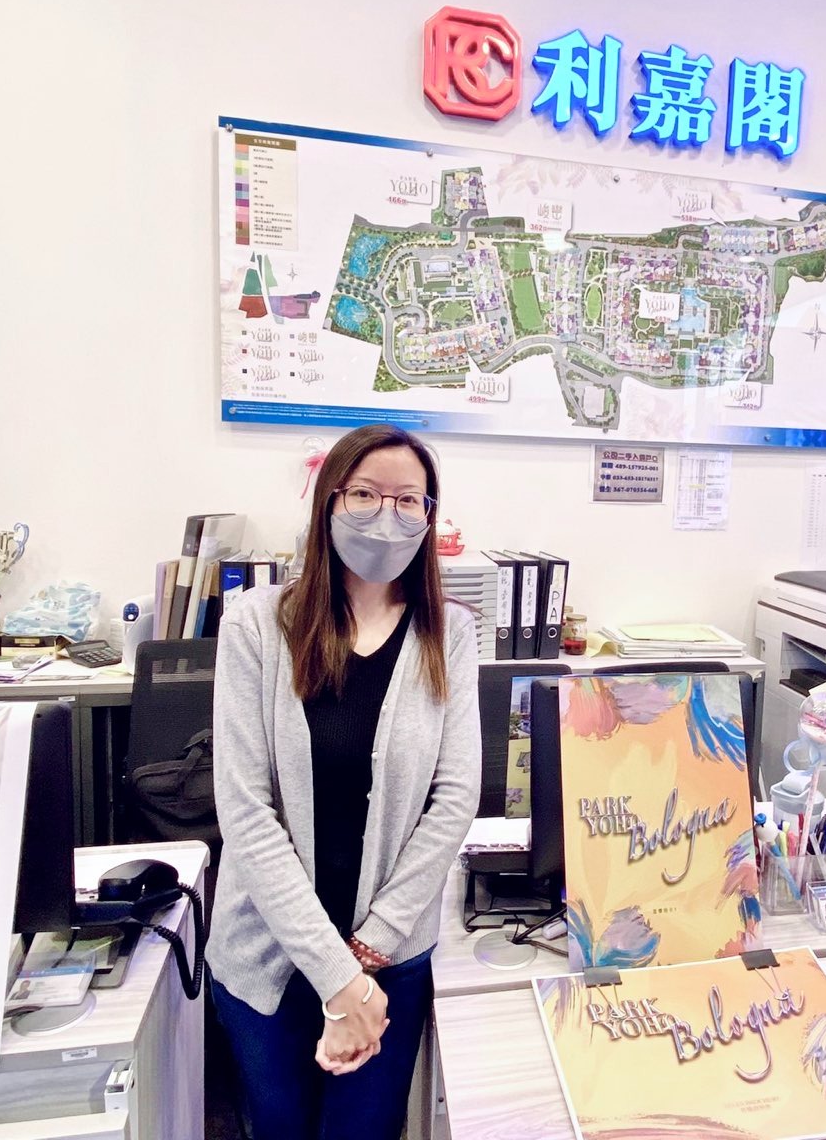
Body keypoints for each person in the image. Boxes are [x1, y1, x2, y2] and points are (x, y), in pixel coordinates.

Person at [208, 424, 480, 1140]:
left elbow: (455, 798)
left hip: (388, 958)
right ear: (329, 500)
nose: (387, 516)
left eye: (408, 500)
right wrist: (336, 976)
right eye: (365, 494)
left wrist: (369, 952)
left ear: (429, 516)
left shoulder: (450, 634)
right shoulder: (255, 626)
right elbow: (245, 809)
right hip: (269, 953)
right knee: (280, 1128)